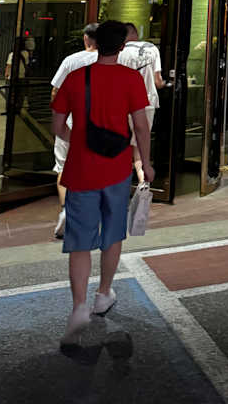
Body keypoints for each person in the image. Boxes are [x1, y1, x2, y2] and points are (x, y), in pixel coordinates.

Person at [51, 19, 153, 346]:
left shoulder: (76, 77)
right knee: (112, 233)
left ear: (93, 43)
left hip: (81, 169)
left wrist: (78, 140)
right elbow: (141, 127)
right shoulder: (131, 78)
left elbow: (57, 125)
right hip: (117, 168)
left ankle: (79, 307)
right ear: (121, 46)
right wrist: (146, 164)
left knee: (80, 241)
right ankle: (103, 294)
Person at [50, 24, 99, 240]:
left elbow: (56, 91)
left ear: (86, 38)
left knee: (63, 167)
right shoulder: (113, 61)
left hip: (71, 121)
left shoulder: (71, 60)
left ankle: (66, 211)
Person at [118, 22, 165, 183]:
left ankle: (119, 179)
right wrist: (166, 84)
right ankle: (142, 180)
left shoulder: (120, 51)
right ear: (136, 34)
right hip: (148, 101)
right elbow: (158, 81)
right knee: (140, 142)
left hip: (125, 102)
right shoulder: (152, 49)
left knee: (121, 140)